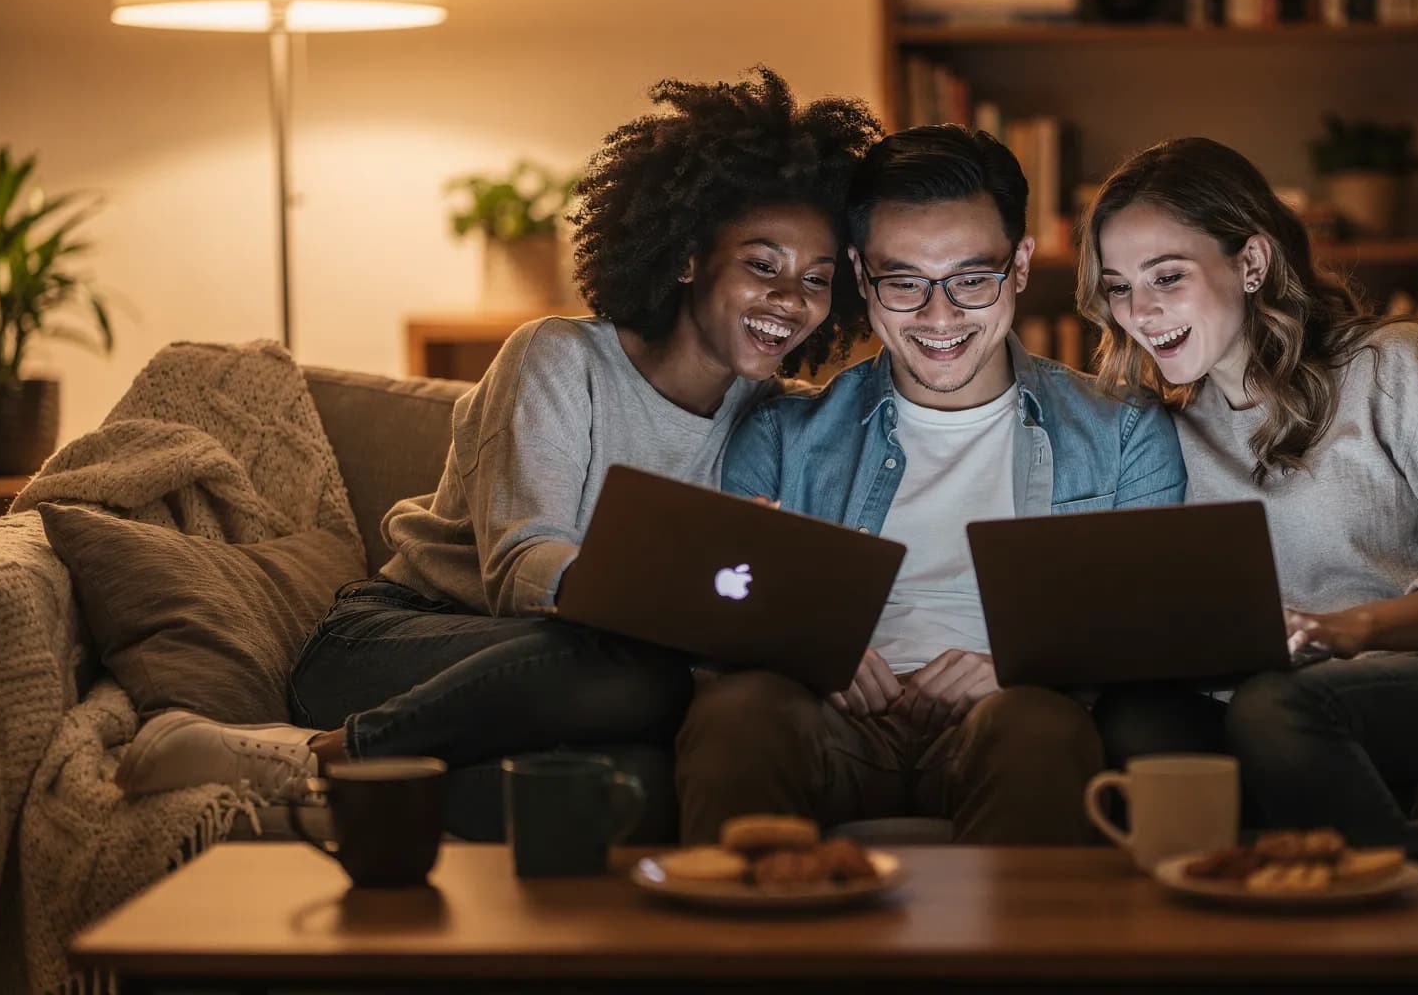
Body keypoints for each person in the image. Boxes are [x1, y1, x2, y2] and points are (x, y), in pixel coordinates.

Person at [115, 68, 883, 802]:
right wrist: (699, 625)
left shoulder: (779, 415)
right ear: (686, 257)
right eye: (762, 265)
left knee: (639, 780)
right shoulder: (560, 356)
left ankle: (366, 801)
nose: (792, 300)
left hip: (579, 679)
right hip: (400, 642)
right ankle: (315, 758)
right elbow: (525, 565)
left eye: (817, 279)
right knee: (642, 675)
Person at [1079, 137, 1418, 846]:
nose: (1142, 311)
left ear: (1251, 262)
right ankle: (1385, 824)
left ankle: (1408, 911)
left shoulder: (1395, 365)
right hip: (1287, 694)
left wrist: (1349, 629)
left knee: (1274, 710)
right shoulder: (1169, 439)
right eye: (1120, 287)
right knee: (1135, 719)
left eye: (1167, 277)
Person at [673, 125, 1187, 845]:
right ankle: (748, 958)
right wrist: (810, 650)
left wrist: (1018, 667)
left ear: (1020, 265)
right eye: (905, 282)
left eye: (972, 280)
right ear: (859, 271)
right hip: (831, 718)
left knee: (1037, 725)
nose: (939, 318)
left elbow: (1154, 615)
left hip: (1010, 717)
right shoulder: (784, 430)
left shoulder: (1121, 428)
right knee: (739, 712)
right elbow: (719, 603)